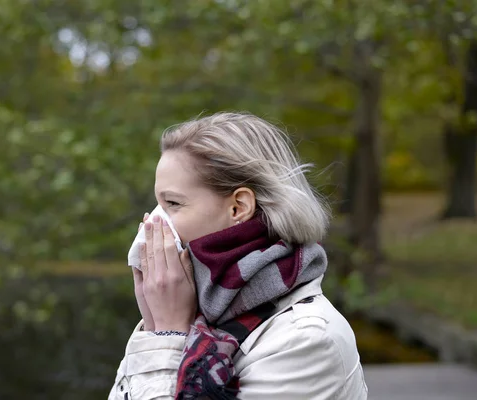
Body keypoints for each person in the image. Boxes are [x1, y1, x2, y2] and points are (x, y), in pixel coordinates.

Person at [108, 112, 368, 400]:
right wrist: (154, 326)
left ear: (238, 208)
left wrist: (167, 336)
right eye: (157, 203)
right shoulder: (197, 312)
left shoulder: (306, 339)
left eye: (173, 203)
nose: (153, 223)